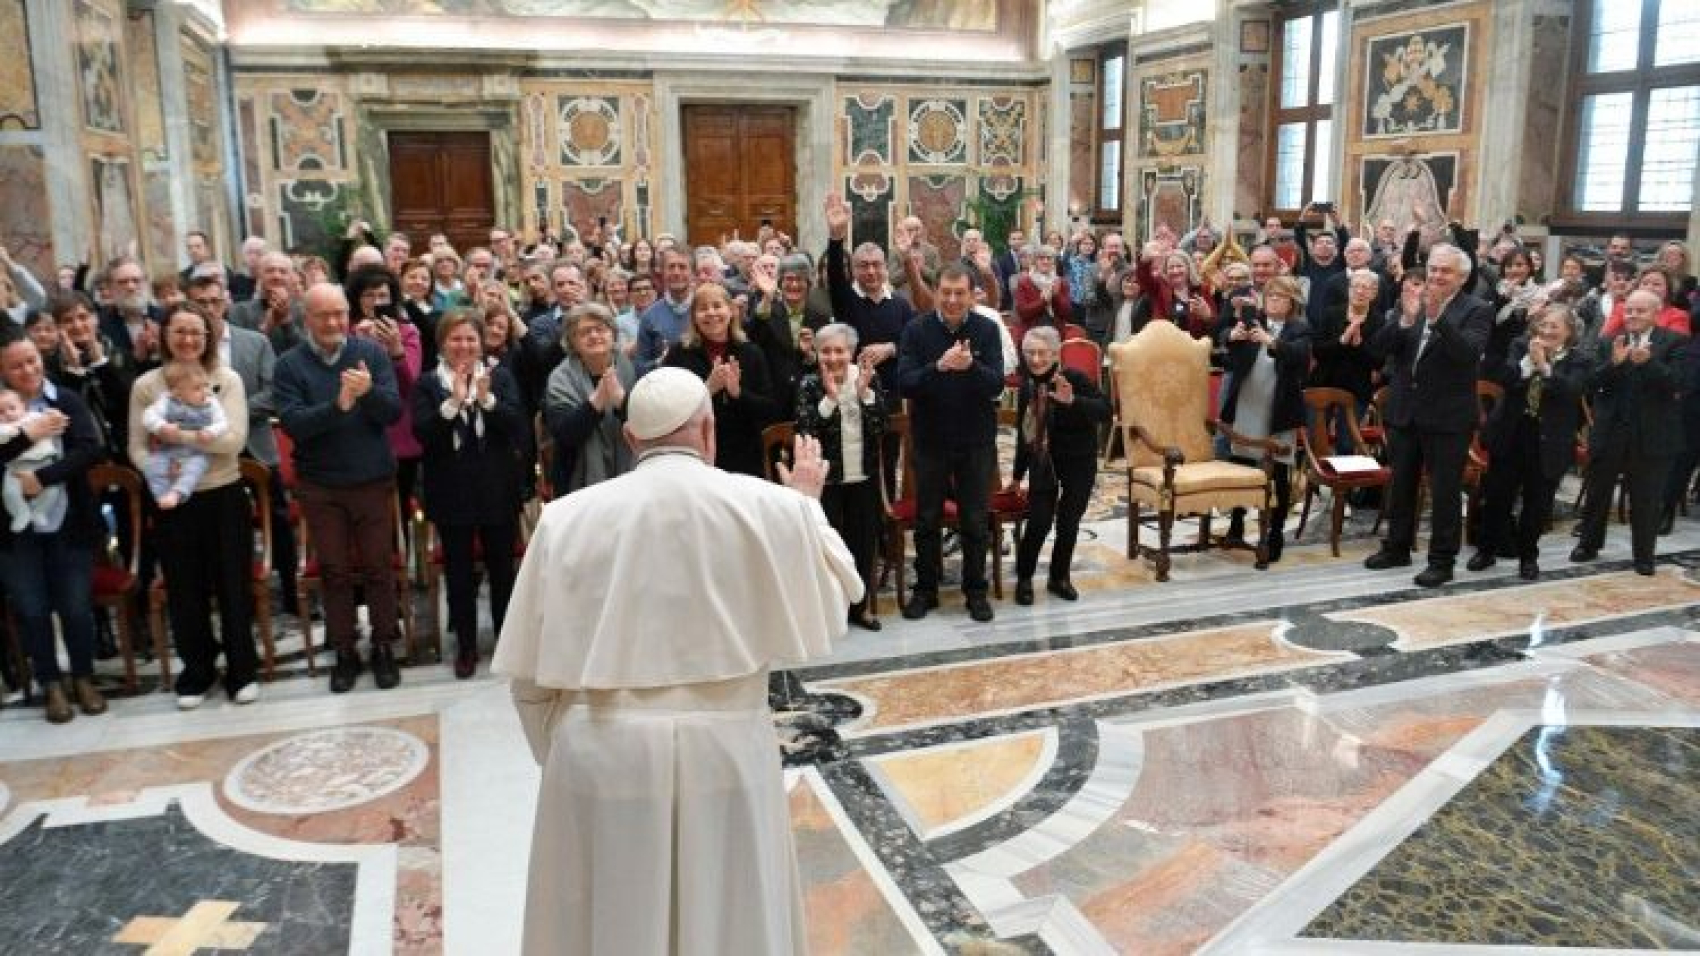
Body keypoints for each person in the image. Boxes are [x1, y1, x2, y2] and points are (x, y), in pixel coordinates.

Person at [493, 367, 860, 956]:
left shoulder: (564, 518)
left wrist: (563, 754)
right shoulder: (773, 507)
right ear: (709, 431)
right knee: (731, 923)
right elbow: (839, 599)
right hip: (728, 753)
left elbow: (529, 680)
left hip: (600, 753)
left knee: (610, 925)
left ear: (632, 440)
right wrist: (807, 507)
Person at [274, 283, 404, 693]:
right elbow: (294, 425)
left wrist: (366, 395)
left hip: (371, 479)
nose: (332, 323)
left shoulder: (371, 354)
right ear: (306, 319)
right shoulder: (289, 365)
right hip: (321, 484)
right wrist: (338, 406)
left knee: (379, 568)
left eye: (338, 314)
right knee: (334, 572)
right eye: (322, 315)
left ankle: (384, 645)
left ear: (347, 314)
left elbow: (392, 412)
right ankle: (344, 651)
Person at [127, 305, 258, 708]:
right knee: (185, 588)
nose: (188, 340)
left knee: (233, 586)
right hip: (172, 499)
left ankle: (241, 671)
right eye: (180, 331)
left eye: (197, 333)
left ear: (209, 337)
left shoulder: (226, 380)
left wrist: (174, 437)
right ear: (165, 335)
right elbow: (136, 446)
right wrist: (161, 470)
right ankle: (197, 670)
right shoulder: (147, 386)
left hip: (223, 493)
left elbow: (232, 441)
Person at [1364, 244, 1493, 587]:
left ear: (1462, 278)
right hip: (1406, 411)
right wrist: (1405, 319)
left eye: (1444, 271)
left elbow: (1467, 355)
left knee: (1444, 491)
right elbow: (1378, 349)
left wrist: (1437, 319)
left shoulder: (1477, 309)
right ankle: (1397, 547)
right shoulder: (1412, 304)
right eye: (1433, 269)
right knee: (1401, 484)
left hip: (1448, 417)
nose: (1435, 276)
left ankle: (1442, 560)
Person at [413, 309, 526, 679]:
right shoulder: (428, 384)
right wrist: (453, 403)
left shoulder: (500, 376)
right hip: (451, 491)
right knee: (459, 575)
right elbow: (423, 435)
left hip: (498, 488)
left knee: (502, 572)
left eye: (471, 339)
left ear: (481, 342)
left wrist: (487, 400)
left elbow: (516, 426)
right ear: (442, 343)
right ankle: (466, 646)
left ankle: (507, 645)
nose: (464, 346)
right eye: (456, 339)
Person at [0, 333, 106, 723]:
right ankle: (51, 684)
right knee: (32, 609)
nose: (27, 370)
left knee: (76, 606)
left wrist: (43, 477)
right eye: (16, 365)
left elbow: (89, 449)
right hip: (15, 532)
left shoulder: (66, 399)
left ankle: (83, 677)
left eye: (32, 360)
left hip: (68, 521)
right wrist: (29, 435)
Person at [897, 265, 1004, 622]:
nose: (953, 300)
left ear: (973, 294)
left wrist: (970, 366)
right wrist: (939, 367)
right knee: (927, 520)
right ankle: (925, 590)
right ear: (936, 292)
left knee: (975, 521)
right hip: (930, 440)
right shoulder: (917, 329)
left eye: (960, 293)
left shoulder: (987, 330)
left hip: (975, 440)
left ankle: (976, 591)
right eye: (946, 292)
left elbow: (996, 385)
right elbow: (905, 382)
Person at [1469, 307, 1593, 580]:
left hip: (1549, 439)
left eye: (1555, 327)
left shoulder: (1579, 359)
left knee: (1536, 504)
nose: (1547, 331)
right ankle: (1486, 550)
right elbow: (1505, 379)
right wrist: (1528, 363)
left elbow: (1572, 391)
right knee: (1497, 497)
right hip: (1512, 432)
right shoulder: (1520, 345)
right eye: (1543, 325)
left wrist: (1546, 368)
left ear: (1569, 332)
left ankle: (1528, 557)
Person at [1571, 290, 1687, 576]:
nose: (1633, 316)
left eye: (1641, 311)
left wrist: (1648, 362)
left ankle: (1644, 555)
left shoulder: (1674, 342)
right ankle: (1588, 543)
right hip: (1610, 431)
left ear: (1656, 313)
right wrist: (1615, 364)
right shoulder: (1609, 341)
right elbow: (1590, 383)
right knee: (1598, 493)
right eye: (1629, 311)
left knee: (1646, 498)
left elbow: (1678, 384)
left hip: (1653, 434)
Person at [1007, 326, 1109, 604]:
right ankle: (1025, 578)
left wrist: (1073, 401)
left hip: (1079, 461)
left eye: (1042, 353)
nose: (1036, 359)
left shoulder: (1073, 378)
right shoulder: (1027, 386)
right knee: (1038, 521)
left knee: (1068, 522)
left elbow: (1105, 411)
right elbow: (1025, 433)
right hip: (1044, 462)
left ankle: (1059, 577)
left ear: (1054, 354)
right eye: (1030, 353)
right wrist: (1017, 475)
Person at [795, 322, 886, 631]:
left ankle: (861, 608)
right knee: (829, 548)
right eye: (826, 351)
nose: (833, 357)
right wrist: (831, 399)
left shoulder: (868, 379)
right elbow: (806, 432)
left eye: (840, 350)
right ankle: (831, 611)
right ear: (817, 354)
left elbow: (880, 428)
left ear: (851, 352)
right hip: (826, 483)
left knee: (863, 544)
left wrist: (863, 394)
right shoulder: (809, 385)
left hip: (863, 478)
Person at [1218, 275, 1312, 561]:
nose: (1274, 301)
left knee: (1279, 473)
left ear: (1292, 302)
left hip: (1279, 408)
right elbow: (1224, 345)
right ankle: (1235, 525)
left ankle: (1274, 535)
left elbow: (1299, 356)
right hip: (1248, 402)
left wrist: (1271, 341)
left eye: (1281, 297)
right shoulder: (1251, 322)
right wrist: (1231, 337)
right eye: (1270, 295)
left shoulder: (1299, 328)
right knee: (1242, 464)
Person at [662, 284, 778, 478]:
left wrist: (738, 394)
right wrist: (707, 389)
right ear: (694, 317)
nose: (711, 313)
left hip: (744, 458)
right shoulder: (678, 354)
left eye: (717, 306)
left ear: (731, 311)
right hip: (694, 456)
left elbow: (769, 410)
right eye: (703, 308)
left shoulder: (751, 352)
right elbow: (668, 408)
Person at [543, 303, 637, 495]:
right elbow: (565, 434)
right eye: (585, 332)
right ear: (573, 342)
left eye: (600, 329)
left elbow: (646, 426)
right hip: (576, 482)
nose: (594, 336)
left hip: (631, 475)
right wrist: (597, 401)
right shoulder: (560, 378)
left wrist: (621, 400)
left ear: (612, 335)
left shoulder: (630, 369)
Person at [138, 361, 227, 510]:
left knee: (195, 468)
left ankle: (177, 493)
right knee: (152, 466)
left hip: (196, 452)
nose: (205, 391)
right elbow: (148, 416)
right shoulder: (166, 401)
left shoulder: (211, 404)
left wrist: (211, 431)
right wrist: (161, 426)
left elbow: (222, 422)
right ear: (177, 392)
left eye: (206, 385)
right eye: (197, 388)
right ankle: (161, 496)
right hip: (168, 450)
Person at [0, 389, 63, 532]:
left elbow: (53, 423)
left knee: (52, 490)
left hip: (43, 462)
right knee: (9, 493)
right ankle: (21, 512)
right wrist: (15, 431)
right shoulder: (2, 428)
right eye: (1, 412)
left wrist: (54, 415)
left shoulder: (33, 417)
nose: (7, 414)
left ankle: (39, 511)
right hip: (16, 468)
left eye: (12, 408)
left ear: (23, 406)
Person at [1012, 245, 1072, 341]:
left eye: (1049, 258)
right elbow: (1023, 312)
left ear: (1054, 261)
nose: (1045, 261)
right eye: (1041, 258)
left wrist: (1056, 295)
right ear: (1035, 261)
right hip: (1031, 335)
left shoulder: (1061, 282)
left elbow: (1066, 312)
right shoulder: (1025, 282)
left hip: (1055, 334)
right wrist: (1043, 301)